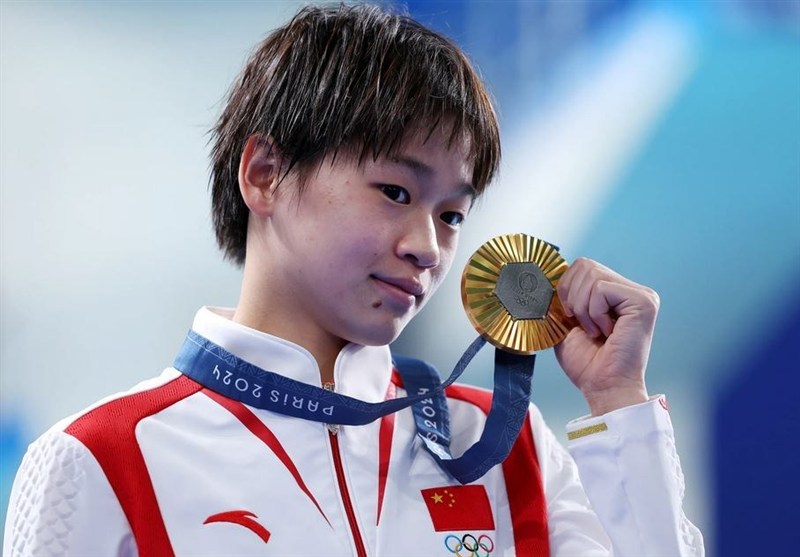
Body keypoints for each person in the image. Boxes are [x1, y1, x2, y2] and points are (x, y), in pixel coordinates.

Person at [3, 4, 704, 556]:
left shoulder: (504, 447)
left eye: (452, 215)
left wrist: (617, 401)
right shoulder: (101, 458)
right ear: (264, 174)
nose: (427, 247)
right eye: (396, 192)